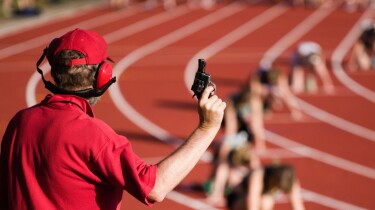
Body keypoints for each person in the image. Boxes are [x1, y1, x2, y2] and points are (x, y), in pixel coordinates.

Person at [0, 28, 226, 210]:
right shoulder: (95, 135)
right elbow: (155, 187)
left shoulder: (18, 123)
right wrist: (207, 128)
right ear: (103, 76)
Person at [227, 164, 305, 210]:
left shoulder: (290, 180)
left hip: (259, 203)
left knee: (266, 201)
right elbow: (252, 204)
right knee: (266, 201)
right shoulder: (259, 176)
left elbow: (297, 205)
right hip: (237, 200)